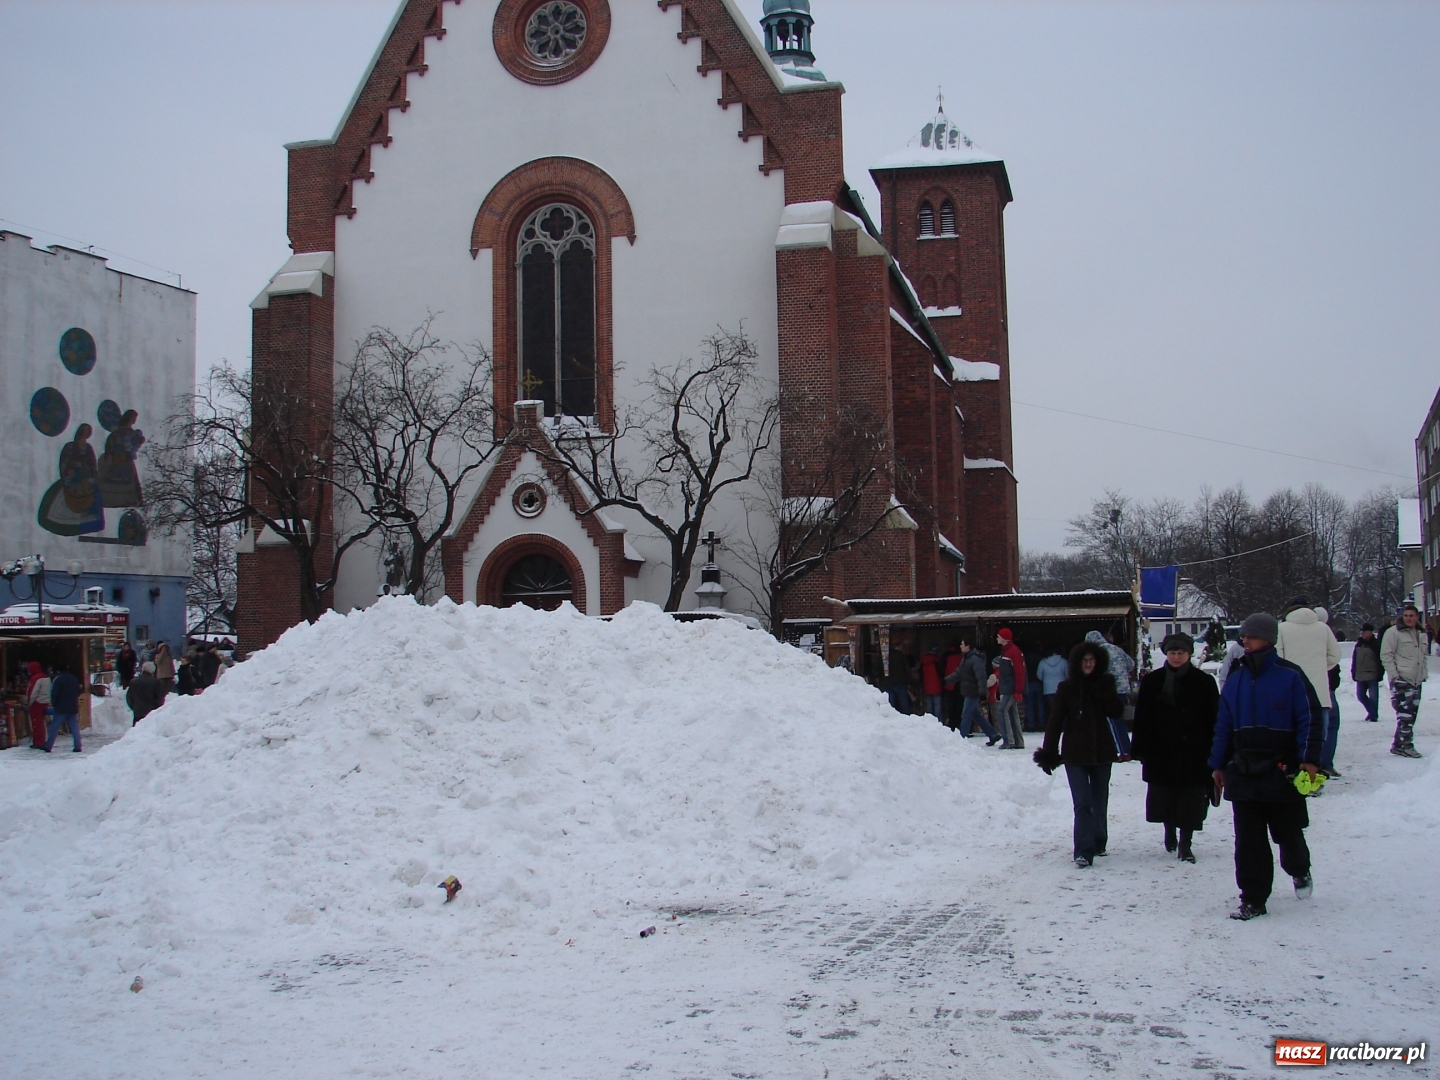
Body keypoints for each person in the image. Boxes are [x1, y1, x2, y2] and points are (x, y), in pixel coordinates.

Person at [1209, 612, 1323, 921]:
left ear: (1268, 639)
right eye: (1243, 636)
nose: (1244, 640)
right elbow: (1223, 725)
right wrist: (1218, 764)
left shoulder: (1291, 676)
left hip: (1281, 769)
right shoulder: (1236, 679)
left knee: (1288, 833)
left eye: (1251, 635)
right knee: (1248, 842)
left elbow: (1309, 720)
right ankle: (1253, 899)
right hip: (1243, 770)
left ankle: (1299, 870)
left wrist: (1309, 760)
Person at [1034, 640, 1126, 867]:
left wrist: (1107, 692)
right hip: (1075, 752)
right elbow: (1055, 721)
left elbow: (1116, 712)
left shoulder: (1105, 684)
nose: (1088, 664)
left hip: (1102, 751)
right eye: (1084, 660)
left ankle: (1099, 839)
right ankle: (1083, 850)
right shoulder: (1067, 688)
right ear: (1077, 662)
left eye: (1092, 660)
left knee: (1099, 799)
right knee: (1082, 802)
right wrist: (1049, 751)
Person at [1130, 633, 1219, 862]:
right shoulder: (1153, 682)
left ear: (1189, 654)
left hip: (1194, 751)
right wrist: (1140, 749)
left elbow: (1214, 717)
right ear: (1166, 654)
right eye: (1172, 653)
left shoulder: (1204, 682)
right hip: (1161, 751)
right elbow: (1142, 718)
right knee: (1164, 796)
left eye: (1181, 653)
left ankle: (1186, 844)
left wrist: (1216, 750)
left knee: (1191, 799)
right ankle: (1169, 829)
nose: (1177, 657)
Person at [1276, 596, 1341, 778]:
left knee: (1293, 735)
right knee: (1318, 736)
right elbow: (1335, 656)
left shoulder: (1281, 629)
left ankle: (1294, 773)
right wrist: (1320, 667)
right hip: (1320, 691)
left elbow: (1278, 659)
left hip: (1291, 692)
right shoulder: (1323, 628)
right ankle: (1316, 775)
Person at [1380, 601, 1429, 758]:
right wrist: (1395, 676)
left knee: (1410, 715)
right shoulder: (1393, 633)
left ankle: (1398, 744)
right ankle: (1407, 745)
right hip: (1402, 679)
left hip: (1416, 680)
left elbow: (1422, 656)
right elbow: (1386, 655)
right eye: (1406, 615)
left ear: (1417, 617)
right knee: (1405, 715)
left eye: (1412, 616)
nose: (1408, 619)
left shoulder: (1421, 633)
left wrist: (1423, 674)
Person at [945, 639, 1001, 743]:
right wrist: (947, 680)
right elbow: (959, 673)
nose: (960, 646)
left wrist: (982, 692)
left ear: (968, 646)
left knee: (966, 714)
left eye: (962, 644)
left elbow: (981, 676)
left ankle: (962, 738)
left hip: (973, 691)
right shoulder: (966, 658)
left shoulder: (975, 659)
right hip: (968, 690)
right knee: (975, 714)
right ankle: (993, 734)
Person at [994, 628, 1027, 749]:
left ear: (1004, 638)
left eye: (998, 636)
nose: (996, 638)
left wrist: (1018, 690)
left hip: (1011, 688)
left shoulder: (1012, 652)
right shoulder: (1009, 651)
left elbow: (1019, 672)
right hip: (1009, 687)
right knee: (1012, 713)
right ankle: (1018, 741)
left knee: (1002, 710)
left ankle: (1009, 740)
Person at [1085, 630, 1135, 700]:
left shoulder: (1096, 652)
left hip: (1107, 691)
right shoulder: (1117, 648)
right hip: (1123, 689)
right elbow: (1131, 664)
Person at [43, 665, 82, 754]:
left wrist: (55, 704)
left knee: (55, 727)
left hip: (61, 707)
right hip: (72, 706)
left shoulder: (58, 679)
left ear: (58, 671)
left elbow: (54, 694)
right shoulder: (73, 678)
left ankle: (48, 746)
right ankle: (78, 746)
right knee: (74, 727)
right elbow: (78, 691)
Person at [1351, 623, 1383, 722]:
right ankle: (1372, 712)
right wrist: (1353, 671)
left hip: (1372, 674)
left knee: (1373, 697)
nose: (1363, 634)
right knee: (1360, 695)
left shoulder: (1376, 644)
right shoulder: (1359, 644)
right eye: (1362, 632)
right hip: (1360, 674)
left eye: (1365, 632)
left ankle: (1373, 715)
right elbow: (1355, 659)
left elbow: (1380, 660)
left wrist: (1380, 673)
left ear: (1370, 632)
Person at [1036, 647, 1069, 728]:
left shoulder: (1043, 662)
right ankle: (1063, 724)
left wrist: (1046, 680)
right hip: (1061, 687)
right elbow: (1068, 674)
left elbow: (1039, 675)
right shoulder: (1063, 661)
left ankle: (1053, 725)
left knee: (1052, 709)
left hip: (1048, 688)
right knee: (1062, 708)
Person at [25, 661, 52, 750]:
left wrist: (29, 703)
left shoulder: (35, 678)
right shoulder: (46, 677)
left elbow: (33, 692)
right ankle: (41, 740)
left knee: (36, 723)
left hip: (37, 703)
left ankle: (38, 742)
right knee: (41, 723)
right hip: (44, 702)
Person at [919, 645, 945, 721]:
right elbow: (941, 673)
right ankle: (938, 722)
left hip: (927, 686)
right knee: (938, 706)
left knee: (929, 706)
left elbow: (921, 675)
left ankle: (930, 722)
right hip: (937, 686)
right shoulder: (937, 661)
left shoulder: (923, 661)